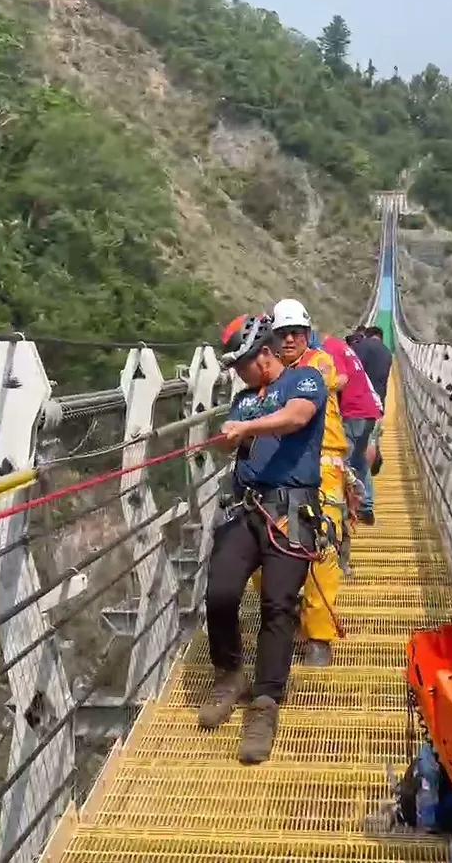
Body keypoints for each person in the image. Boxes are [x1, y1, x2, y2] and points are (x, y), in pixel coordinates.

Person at [198, 313, 327, 765]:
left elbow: (297, 418)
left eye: (241, 364)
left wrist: (247, 428)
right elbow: (236, 441)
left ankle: (265, 703)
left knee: (278, 605)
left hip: (291, 510)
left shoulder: (304, 380)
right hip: (246, 507)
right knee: (219, 592)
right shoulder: (243, 399)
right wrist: (224, 439)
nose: (237, 373)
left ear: (265, 355)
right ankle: (229, 673)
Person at [269, 298, 345, 667]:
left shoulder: (318, 362)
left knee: (322, 545)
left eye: (296, 332)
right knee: (266, 541)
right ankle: (289, 612)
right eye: (282, 333)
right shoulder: (269, 371)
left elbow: (321, 381)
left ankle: (319, 636)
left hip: (324, 465)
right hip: (279, 468)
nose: (289, 339)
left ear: (307, 334)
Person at [317, 330, 382, 528]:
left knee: (341, 461)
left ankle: (341, 511)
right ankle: (366, 507)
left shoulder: (329, 349)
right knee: (360, 460)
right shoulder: (342, 346)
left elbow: (342, 379)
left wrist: (318, 389)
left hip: (353, 411)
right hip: (369, 409)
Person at [350, 326, 393, 476]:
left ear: (367, 335)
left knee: (356, 446)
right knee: (372, 440)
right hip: (379, 403)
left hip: (359, 404)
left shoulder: (362, 346)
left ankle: (356, 477)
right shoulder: (387, 352)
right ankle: (366, 477)